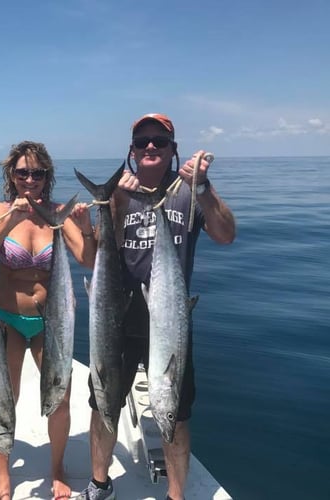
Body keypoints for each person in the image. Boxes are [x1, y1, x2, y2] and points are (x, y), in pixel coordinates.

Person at [81, 114, 236, 500]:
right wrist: (114, 202)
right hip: (115, 318)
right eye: (143, 141)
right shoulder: (118, 191)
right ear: (132, 151)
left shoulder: (188, 191)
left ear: (173, 149)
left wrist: (204, 187)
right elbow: (101, 249)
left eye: (160, 141)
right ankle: (100, 485)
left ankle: (176, 495)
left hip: (170, 323)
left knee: (177, 415)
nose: (151, 146)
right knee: (103, 405)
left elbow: (225, 234)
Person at [0, 141, 97, 499]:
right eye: (22, 172)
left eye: (37, 173)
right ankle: (3, 475)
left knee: (59, 399)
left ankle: (57, 469)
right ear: (11, 176)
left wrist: (86, 225)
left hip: (52, 323)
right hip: (6, 319)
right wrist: (10, 220)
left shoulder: (60, 213)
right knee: (4, 397)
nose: (30, 179)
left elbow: (87, 260)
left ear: (47, 177)